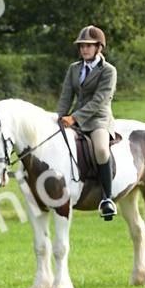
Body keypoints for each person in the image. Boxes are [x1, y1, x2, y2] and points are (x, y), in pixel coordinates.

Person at [56, 25, 118, 219]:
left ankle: (107, 198)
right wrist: (58, 117)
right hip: (75, 119)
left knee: (101, 150)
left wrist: (74, 117)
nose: (84, 49)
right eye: (82, 46)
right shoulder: (74, 69)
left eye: (88, 46)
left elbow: (99, 100)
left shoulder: (108, 71)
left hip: (98, 119)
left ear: (99, 47)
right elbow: (66, 96)